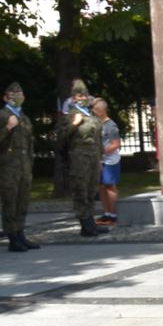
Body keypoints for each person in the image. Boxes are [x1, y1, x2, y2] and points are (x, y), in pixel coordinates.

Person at [0, 81, 39, 252]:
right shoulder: (1, 115)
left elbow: (29, 144)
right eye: (12, 94)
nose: (17, 97)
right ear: (5, 97)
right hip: (8, 167)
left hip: (24, 167)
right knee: (10, 204)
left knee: (22, 203)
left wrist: (30, 164)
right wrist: (8, 128)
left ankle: (20, 233)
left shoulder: (23, 117)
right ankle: (12, 238)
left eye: (20, 94)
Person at [58, 80, 106, 236]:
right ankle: (84, 223)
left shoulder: (91, 114)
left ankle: (91, 220)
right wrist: (74, 124)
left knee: (91, 190)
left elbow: (98, 138)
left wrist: (100, 159)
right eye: (79, 95)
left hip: (93, 157)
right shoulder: (70, 115)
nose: (83, 97)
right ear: (73, 98)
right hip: (78, 158)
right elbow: (61, 138)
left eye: (85, 94)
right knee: (81, 190)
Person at [93, 98, 121, 225]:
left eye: (95, 111)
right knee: (101, 187)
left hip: (110, 161)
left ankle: (114, 214)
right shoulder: (98, 124)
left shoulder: (111, 126)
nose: (93, 113)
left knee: (110, 187)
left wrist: (103, 151)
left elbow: (116, 144)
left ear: (101, 111)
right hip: (100, 160)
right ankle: (107, 213)